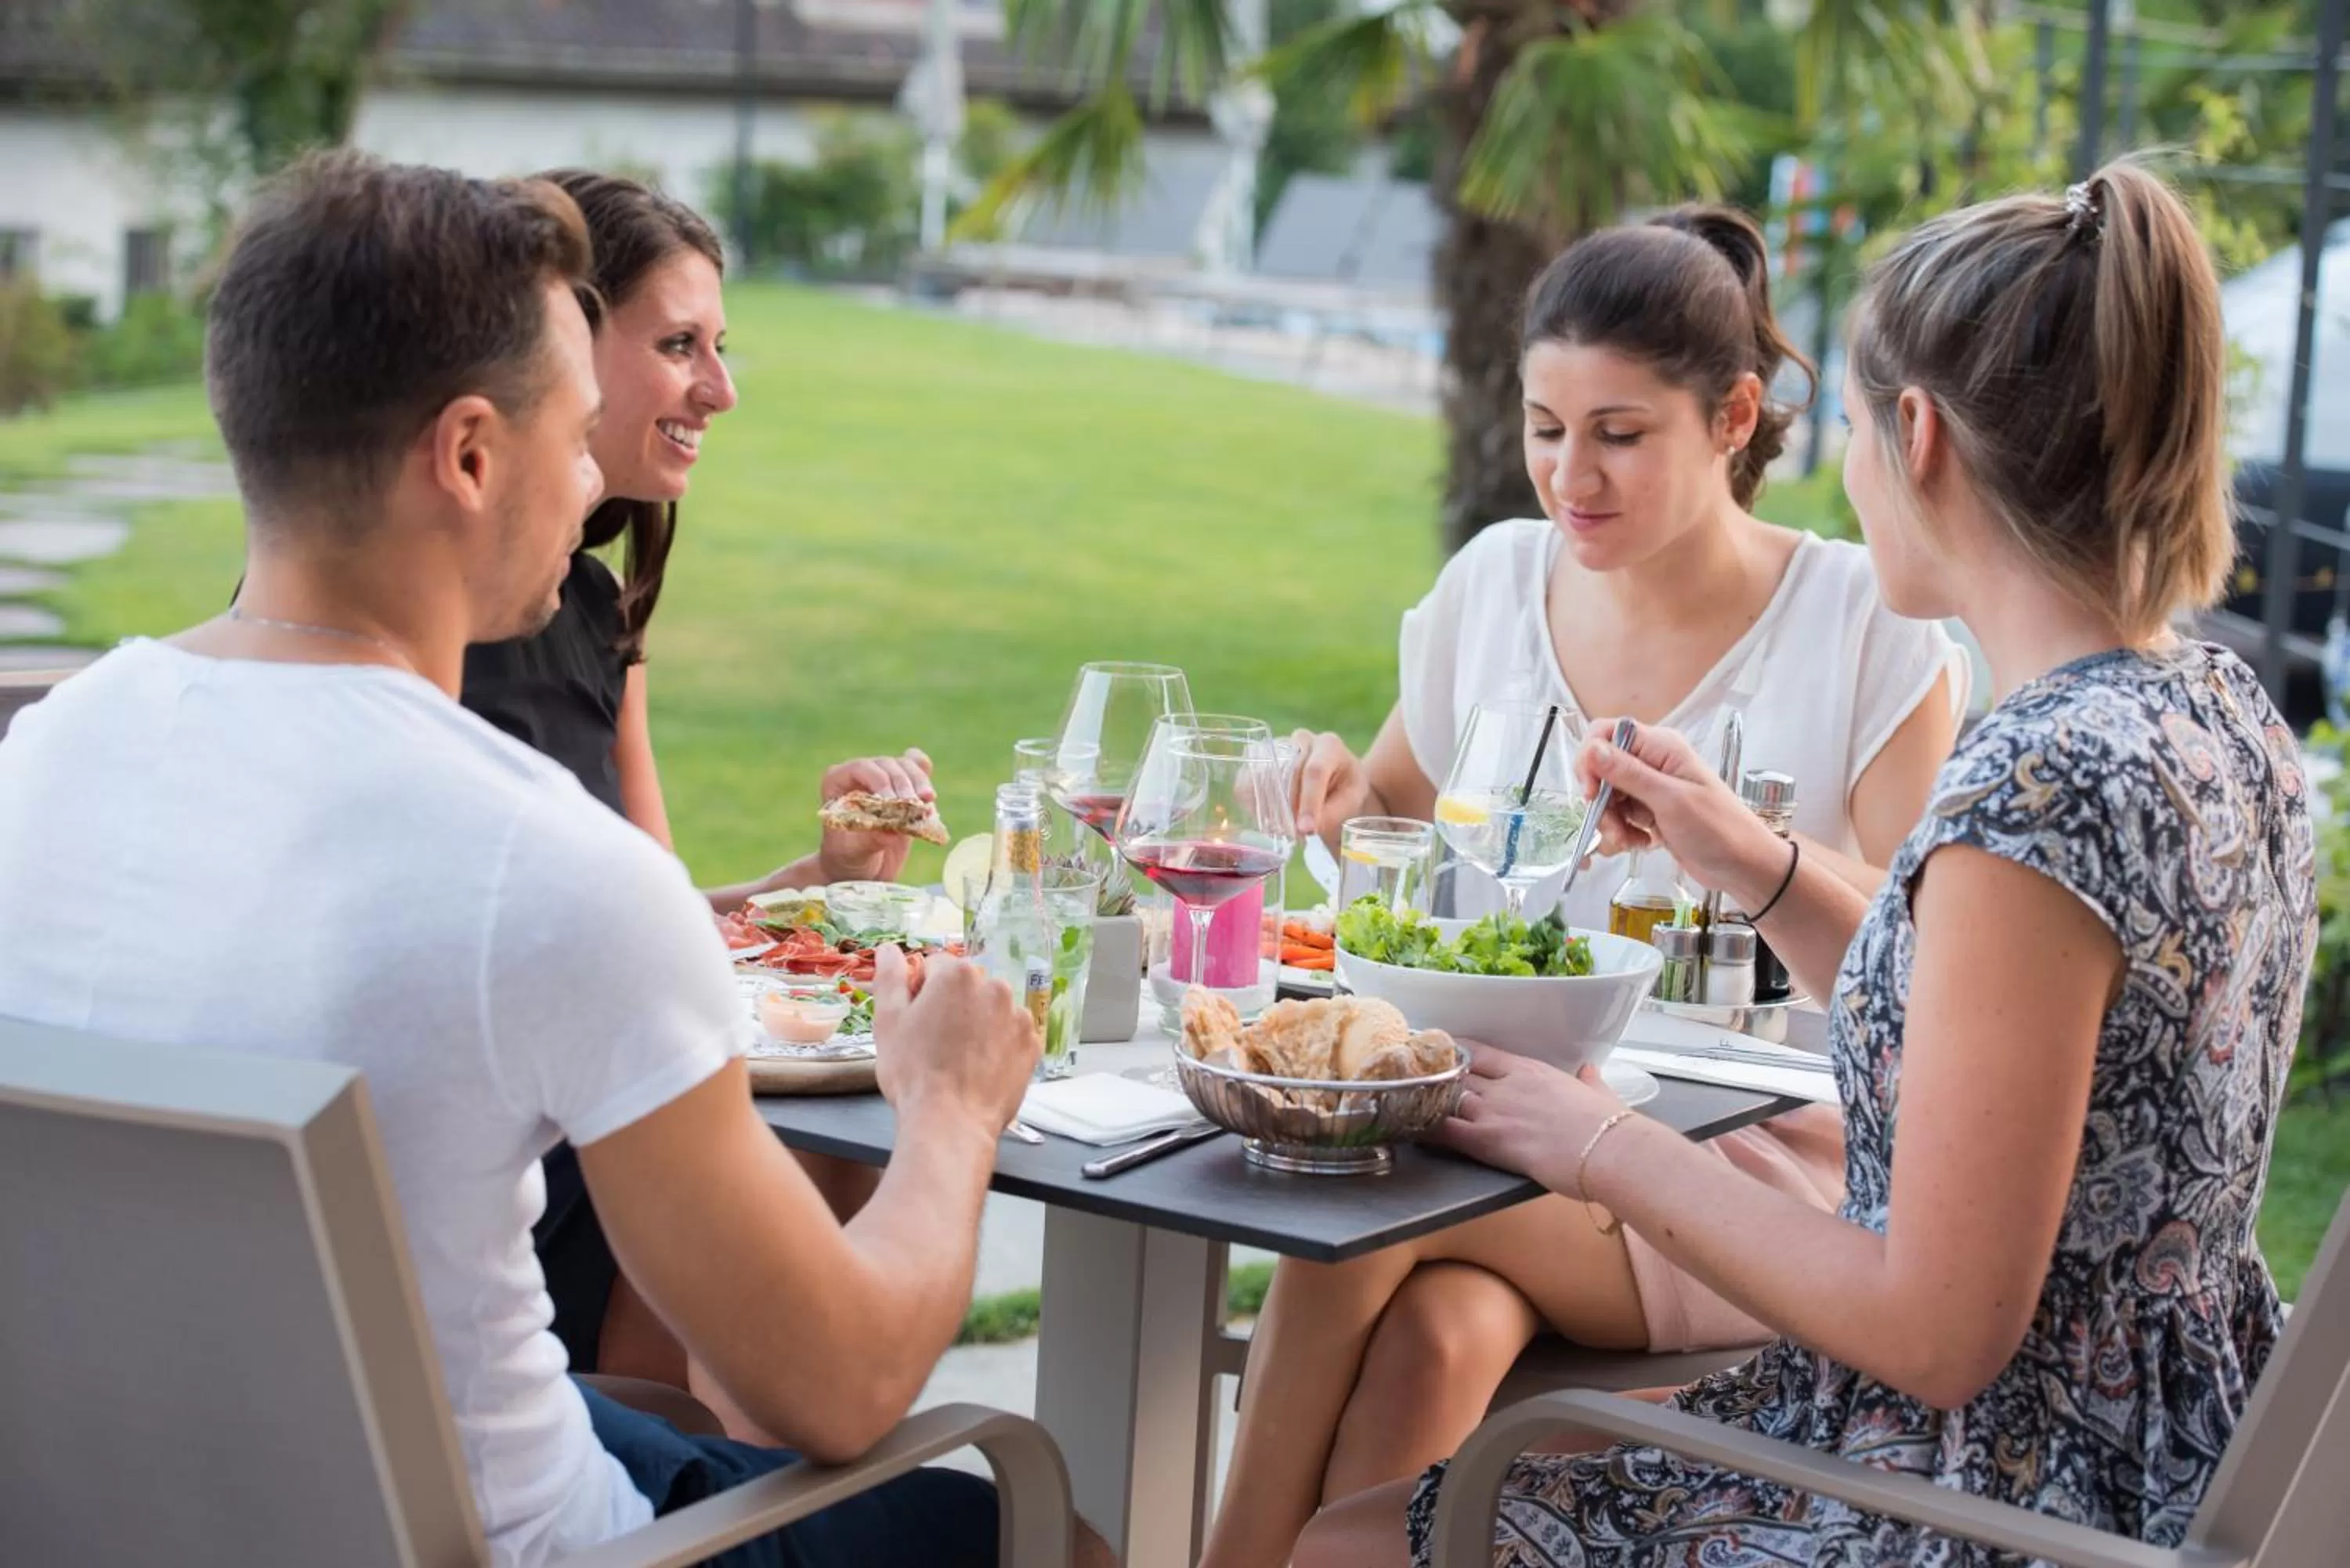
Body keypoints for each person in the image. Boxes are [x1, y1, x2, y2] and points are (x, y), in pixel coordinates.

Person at [0, 151, 1054, 1568]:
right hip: (509, 1538)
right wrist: (952, 1109)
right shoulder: (540, 865)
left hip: (137, 1510)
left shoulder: (46, 755)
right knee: (1046, 1526)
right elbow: (850, 1380)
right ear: (472, 454)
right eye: (571, 430)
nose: (585, 475)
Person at [1296, 161, 2310, 1567]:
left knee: (1346, 1547)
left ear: (1919, 435)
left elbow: (1939, 1332)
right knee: (1419, 1441)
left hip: (1990, 1492)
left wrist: (1597, 1144)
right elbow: (1975, 1026)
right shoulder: (2211, 710)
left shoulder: (2041, 792)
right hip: (2154, 1443)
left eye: (1841, 423)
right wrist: (1752, 858)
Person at [1203, 207, 1965, 1566]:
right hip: (1526, 1118)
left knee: (1371, 1182)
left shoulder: (1865, 623)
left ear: (1735, 417)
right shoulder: (1498, 580)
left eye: (1620, 433)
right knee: (1440, 1331)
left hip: (1762, 1158)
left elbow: (1937, 949)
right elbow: (1384, 811)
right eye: (1546, 429)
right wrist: (1331, 786)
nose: (1572, 475)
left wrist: (1737, 839)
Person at [455, 169, 902, 1408]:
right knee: (837, 1180)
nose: (720, 387)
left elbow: (648, 918)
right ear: (560, 340)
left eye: (721, 347)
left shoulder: (595, 608)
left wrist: (815, 880)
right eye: (679, 346)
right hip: (539, 1171)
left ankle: (708, 1455)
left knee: (827, 1158)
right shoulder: (418, 633)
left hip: (589, 1118)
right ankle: (687, 1455)